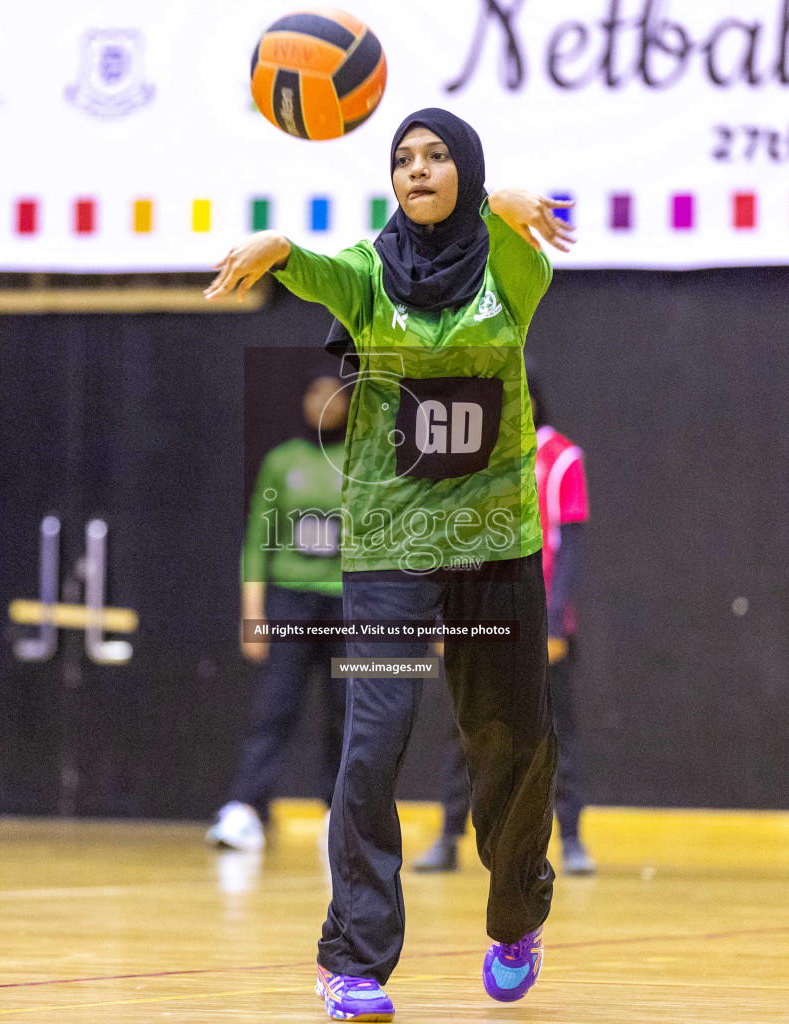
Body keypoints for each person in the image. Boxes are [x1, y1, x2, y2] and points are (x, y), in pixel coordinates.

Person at [206, 107, 575, 1021]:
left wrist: (504, 206)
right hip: (389, 549)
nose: (416, 170)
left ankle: (516, 915)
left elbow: (517, 227)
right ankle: (353, 960)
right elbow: (316, 270)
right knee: (372, 745)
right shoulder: (370, 277)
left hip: (494, 544)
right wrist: (280, 247)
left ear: (468, 173)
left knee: (513, 748)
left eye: (437, 156)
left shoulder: (511, 268)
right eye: (403, 158)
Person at [413, 373, 595, 875]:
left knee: (555, 730)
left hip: (538, 618)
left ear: (531, 396)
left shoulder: (561, 458)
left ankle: (573, 838)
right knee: (463, 730)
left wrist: (555, 623)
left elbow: (571, 547)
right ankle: (448, 837)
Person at [207, 374, 350, 852]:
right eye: (313, 391)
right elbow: (256, 540)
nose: (322, 402)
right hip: (291, 599)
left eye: (333, 393)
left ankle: (340, 814)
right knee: (276, 706)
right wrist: (253, 611)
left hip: (347, 602)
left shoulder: (366, 461)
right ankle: (245, 809)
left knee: (345, 711)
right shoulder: (282, 461)